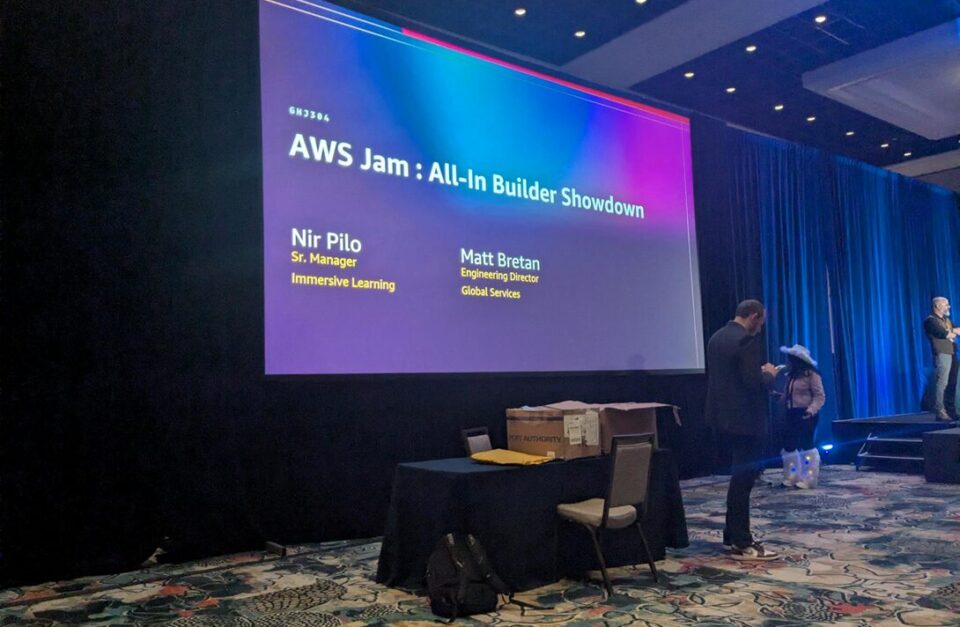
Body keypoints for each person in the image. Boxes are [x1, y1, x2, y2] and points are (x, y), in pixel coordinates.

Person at [705, 299, 780, 560]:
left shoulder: (716, 338)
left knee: (738, 478)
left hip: (722, 419)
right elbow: (753, 383)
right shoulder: (746, 340)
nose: (761, 328)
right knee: (743, 481)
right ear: (754, 316)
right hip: (746, 422)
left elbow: (730, 378)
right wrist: (769, 374)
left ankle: (731, 534)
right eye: (761, 322)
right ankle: (741, 541)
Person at [778, 344, 826, 489]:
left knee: (806, 445)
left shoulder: (812, 375)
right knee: (789, 445)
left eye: (789, 359)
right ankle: (792, 476)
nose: (787, 362)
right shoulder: (791, 376)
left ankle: (809, 478)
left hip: (807, 414)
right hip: (791, 413)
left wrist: (811, 411)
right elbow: (788, 395)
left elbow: (820, 396)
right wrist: (780, 398)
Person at [921, 297, 960, 422]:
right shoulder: (931, 321)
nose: (948, 307)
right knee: (942, 382)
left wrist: (951, 331)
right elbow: (942, 333)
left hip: (952, 353)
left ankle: (951, 410)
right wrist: (950, 332)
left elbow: (956, 331)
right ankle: (940, 410)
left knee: (952, 383)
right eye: (946, 304)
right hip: (942, 353)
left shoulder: (946, 320)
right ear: (938, 306)